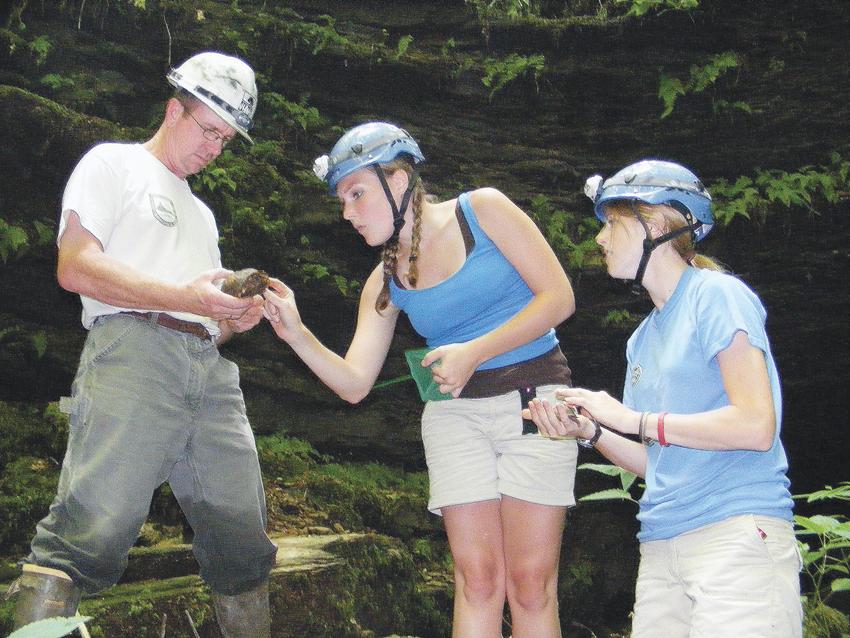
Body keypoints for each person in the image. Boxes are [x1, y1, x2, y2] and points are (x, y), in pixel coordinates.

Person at [263, 122, 577, 637]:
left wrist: (475, 352)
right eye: (341, 200)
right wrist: (296, 333)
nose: (347, 213)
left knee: (530, 582)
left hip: (534, 402)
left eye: (357, 193)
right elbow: (354, 382)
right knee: (476, 580)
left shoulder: (484, 211)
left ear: (400, 178)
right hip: (455, 417)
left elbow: (559, 298)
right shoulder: (386, 279)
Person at [6, 51, 278, 637]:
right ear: (173, 109)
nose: (214, 148)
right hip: (132, 351)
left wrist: (233, 315)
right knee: (94, 525)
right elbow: (76, 267)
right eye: (208, 129)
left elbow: (203, 310)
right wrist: (188, 298)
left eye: (226, 140)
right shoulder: (113, 165)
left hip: (208, 370)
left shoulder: (202, 214)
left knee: (242, 536)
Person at [525, 160, 802, 637]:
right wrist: (591, 431)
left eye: (611, 223)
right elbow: (660, 464)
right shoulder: (641, 339)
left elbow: (756, 426)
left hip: (734, 536)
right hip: (661, 547)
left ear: (655, 223)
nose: (600, 238)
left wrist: (634, 417)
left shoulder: (717, 297)